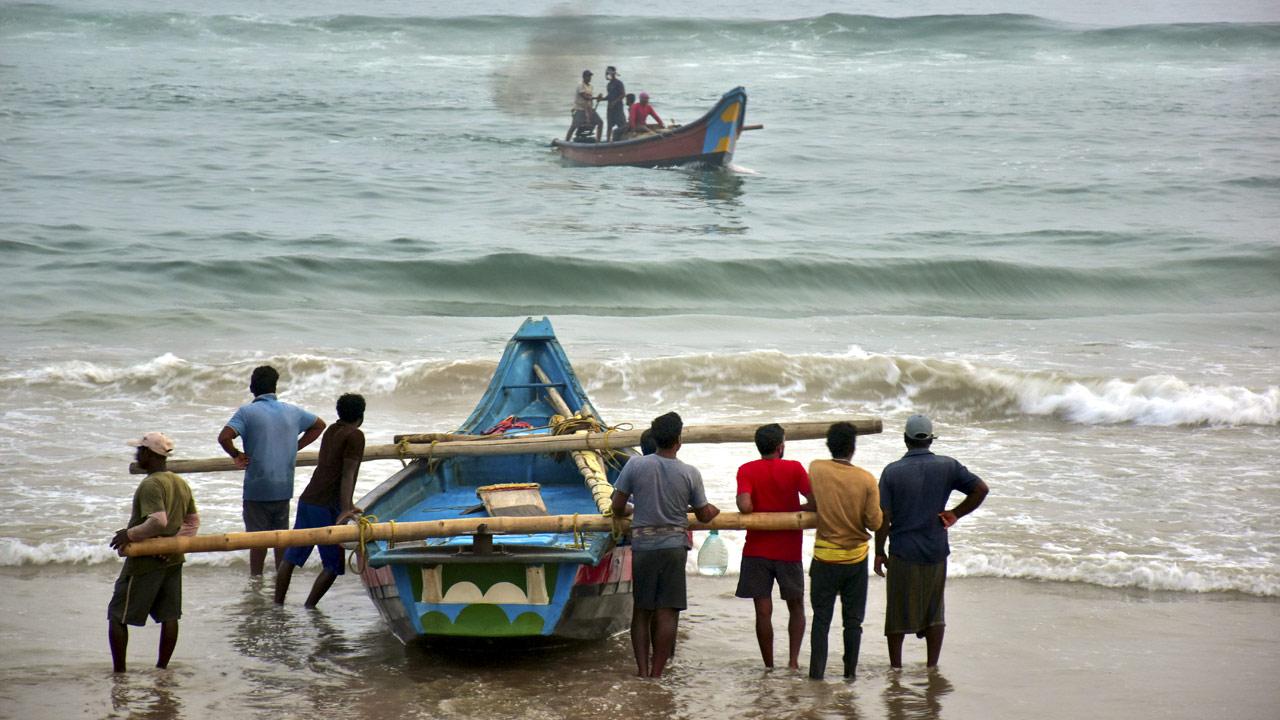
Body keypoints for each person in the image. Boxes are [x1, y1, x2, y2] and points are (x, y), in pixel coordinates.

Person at [874, 414, 989, 668]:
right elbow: (981, 489)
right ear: (930, 440)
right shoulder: (948, 466)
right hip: (936, 548)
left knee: (897, 611)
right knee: (934, 610)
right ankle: (931, 666)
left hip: (903, 550)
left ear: (906, 440)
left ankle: (896, 667)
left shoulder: (892, 472)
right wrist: (955, 513)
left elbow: (884, 516)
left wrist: (879, 551)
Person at [610, 411, 719, 678]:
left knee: (642, 610)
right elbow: (704, 514)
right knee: (668, 611)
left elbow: (616, 505)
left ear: (654, 438)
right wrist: (714, 510)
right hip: (673, 547)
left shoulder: (635, 466)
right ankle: (658, 674)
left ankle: (642, 670)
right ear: (678, 440)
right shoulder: (690, 473)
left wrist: (632, 511)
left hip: (644, 545)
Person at [218, 365, 325, 576]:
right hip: (283, 486)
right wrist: (295, 446)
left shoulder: (247, 412)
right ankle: (280, 582)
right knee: (280, 539)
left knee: (257, 542)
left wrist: (236, 455)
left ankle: (256, 582)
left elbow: (224, 437)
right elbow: (319, 425)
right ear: (275, 387)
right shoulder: (292, 411)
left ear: (252, 388)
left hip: (258, 487)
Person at [108, 432, 199, 673]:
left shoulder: (150, 484)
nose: (136, 454)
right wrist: (172, 546)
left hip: (145, 560)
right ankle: (162, 669)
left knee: (118, 615)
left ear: (149, 454)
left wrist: (129, 535)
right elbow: (192, 522)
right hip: (172, 559)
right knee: (169, 615)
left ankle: (119, 673)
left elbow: (158, 521)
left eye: (140, 450)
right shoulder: (179, 482)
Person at [274, 393, 367, 608]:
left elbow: (333, 469)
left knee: (292, 556)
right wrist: (346, 509)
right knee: (333, 564)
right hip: (326, 506)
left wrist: (347, 505)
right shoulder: (355, 435)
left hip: (308, 500)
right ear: (361, 415)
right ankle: (309, 607)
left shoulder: (332, 430)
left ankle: (277, 605)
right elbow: (347, 473)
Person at [734, 423, 813, 670]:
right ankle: (792, 662)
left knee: (763, 611)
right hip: (788, 549)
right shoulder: (794, 468)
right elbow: (816, 501)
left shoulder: (746, 469)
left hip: (756, 548)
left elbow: (745, 506)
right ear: (781, 446)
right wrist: (795, 510)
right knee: (796, 605)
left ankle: (768, 665)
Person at [807, 421, 882, 681]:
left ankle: (816, 674)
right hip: (855, 559)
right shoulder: (866, 479)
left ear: (829, 445)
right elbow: (875, 522)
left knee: (821, 620)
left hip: (824, 557)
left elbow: (813, 500)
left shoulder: (816, 468)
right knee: (853, 622)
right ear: (853, 448)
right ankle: (850, 674)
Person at [565, 69, 603, 142]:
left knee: (600, 122)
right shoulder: (580, 85)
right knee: (574, 126)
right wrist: (596, 98)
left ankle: (598, 142)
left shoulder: (591, 86)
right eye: (588, 76)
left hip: (589, 109)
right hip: (580, 109)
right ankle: (566, 142)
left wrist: (598, 99)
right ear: (584, 77)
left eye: (590, 76)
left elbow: (590, 99)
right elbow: (585, 97)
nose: (589, 78)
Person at [603, 66, 627, 142]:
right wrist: (601, 99)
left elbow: (623, 94)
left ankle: (623, 140)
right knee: (609, 125)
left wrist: (615, 102)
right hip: (610, 108)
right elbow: (609, 96)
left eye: (609, 72)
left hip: (618, 108)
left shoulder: (619, 83)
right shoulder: (609, 84)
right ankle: (608, 141)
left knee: (622, 125)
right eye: (607, 72)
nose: (608, 74)